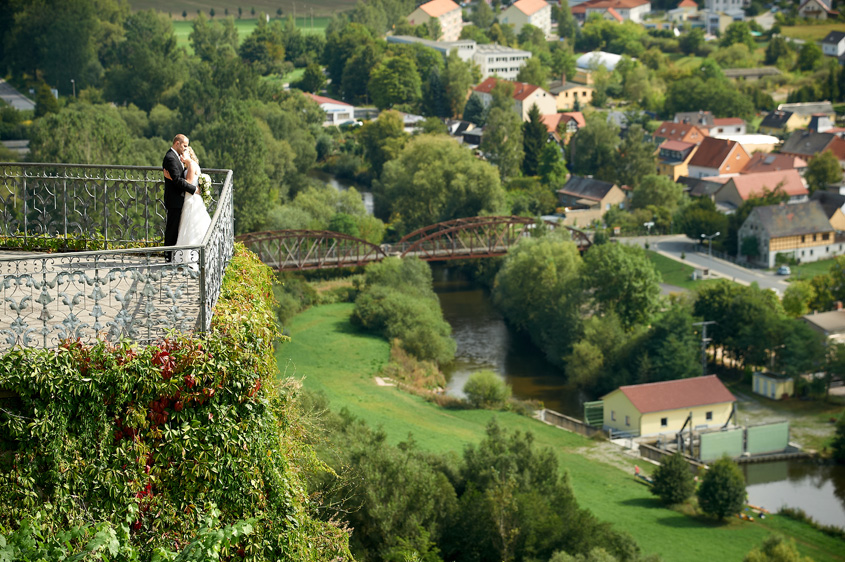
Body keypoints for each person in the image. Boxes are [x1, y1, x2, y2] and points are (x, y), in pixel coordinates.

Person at [167, 146, 211, 268]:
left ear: (189, 155)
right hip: (190, 198)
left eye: (184, 154)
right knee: (188, 226)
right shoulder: (190, 165)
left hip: (191, 199)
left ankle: (188, 257)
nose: (181, 156)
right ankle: (187, 256)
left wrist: (172, 178)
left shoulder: (191, 165)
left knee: (189, 226)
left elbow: (188, 183)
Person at [162, 134, 197, 262]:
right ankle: (168, 257)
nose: (185, 148)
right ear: (177, 143)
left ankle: (172, 256)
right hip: (174, 199)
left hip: (179, 199)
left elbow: (177, 179)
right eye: (184, 145)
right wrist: (194, 190)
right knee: (172, 228)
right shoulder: (170, 158)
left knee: (176, 228)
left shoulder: (177, 157)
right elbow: (177, 180)